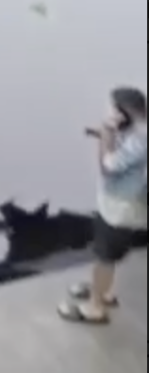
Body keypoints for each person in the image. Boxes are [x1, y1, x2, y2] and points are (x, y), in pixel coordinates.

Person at [59, 85, 148, 324]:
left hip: (121, 208)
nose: (108, 112)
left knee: (104, 258)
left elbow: (108, 167)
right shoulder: (137, 131)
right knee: (106, 254)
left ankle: (95, 308)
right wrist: (105, 133)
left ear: (125, 111)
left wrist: (106, 136)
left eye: (111, 108)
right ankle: (104, 292)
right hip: (117, 203)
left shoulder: (141, 139)